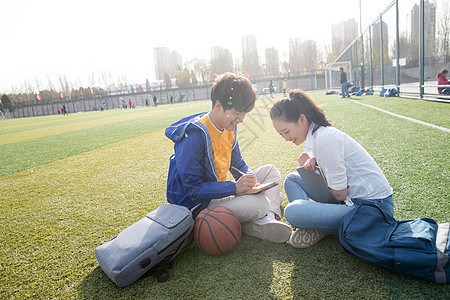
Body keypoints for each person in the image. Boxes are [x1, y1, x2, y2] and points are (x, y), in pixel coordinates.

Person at [165, 72, 292, 243]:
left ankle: (267, 217)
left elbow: (237, 163)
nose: (241, 119)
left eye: (244, 113)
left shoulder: (229, 126)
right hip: (200, 205)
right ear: (218, 106)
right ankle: (262, 214)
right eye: (237, 113)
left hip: (222, 191)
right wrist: (234, 188)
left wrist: (251, 180)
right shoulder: (195, 135)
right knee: (261, 203)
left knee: (271, 172)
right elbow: (193, 190)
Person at [270, 89, 394, 248]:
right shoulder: (317, 137)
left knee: (292, 211)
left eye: (286, 131)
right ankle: (313, 226)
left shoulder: (324, 138)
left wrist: (315, 170)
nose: (286, 139)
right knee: (292, 180)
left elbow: (340, 194)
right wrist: (315, 167)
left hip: (372, 209)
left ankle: (313, 225)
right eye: (281, 134)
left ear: (302, 119)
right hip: (353, 202)